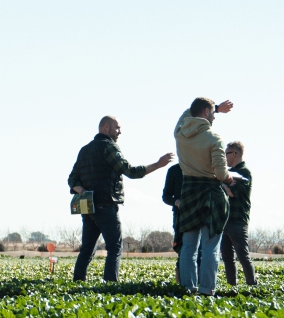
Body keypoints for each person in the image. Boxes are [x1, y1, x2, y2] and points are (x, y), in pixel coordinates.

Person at [68, 116, 174, 282]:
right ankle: (111, 285)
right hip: (105, 205)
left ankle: (78, 282)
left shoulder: (84, 150)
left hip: (88, 208)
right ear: (106, 127)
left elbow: (72, 179)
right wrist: (158, 165)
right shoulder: (109, 147)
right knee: (115, 247)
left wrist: (80, 189)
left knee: (87, 249)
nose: (120, 132)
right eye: (117, 128)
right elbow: (130, 171)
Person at [169, 98, 240, 294]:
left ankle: (188, 288)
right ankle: (207, 289)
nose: (215, 117)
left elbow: (186, 113)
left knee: (189, 246)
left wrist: (215, 107)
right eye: (213, 113)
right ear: (206, 112)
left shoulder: (179, 133)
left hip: (189, 191)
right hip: (211, 193)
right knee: (210, 247)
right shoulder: (214, 138)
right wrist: (229, 179)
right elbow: (220, 173)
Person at [222, 141, 255, 287]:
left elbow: (232, 193)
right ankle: (231, 287)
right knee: (227, 258)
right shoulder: (229, 174)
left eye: (226, 153)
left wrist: (222, 185)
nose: (224, 157)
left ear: (234, 154)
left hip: (237, 220)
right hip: (225, 220)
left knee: (243, 256)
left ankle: (252, 286)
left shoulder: (244, 172)